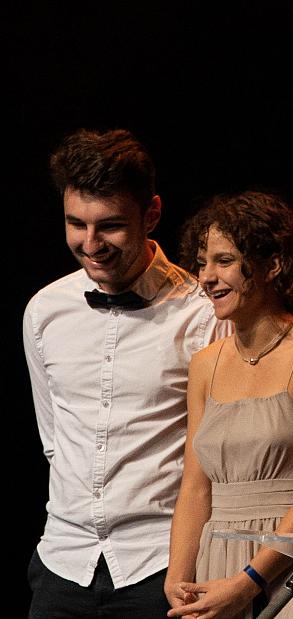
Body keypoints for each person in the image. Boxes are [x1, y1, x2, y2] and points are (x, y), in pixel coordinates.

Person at [24, 129, 225, 617]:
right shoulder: (44, 311)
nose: (91, 243)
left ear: (151, 214)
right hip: (62, 563)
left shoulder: (202, 315)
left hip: (159, 565)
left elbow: (214, 457)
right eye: (76, 224)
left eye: (110, 225)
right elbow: (54, 440)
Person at [165, 191, 293, 618]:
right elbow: (195, 487)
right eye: (202, 263)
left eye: (224, 261)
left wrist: (247, 583)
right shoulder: (204, 365)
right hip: (214, 563)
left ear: (272, 265)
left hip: (283, 567)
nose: (207, 277)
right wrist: (177, 579)